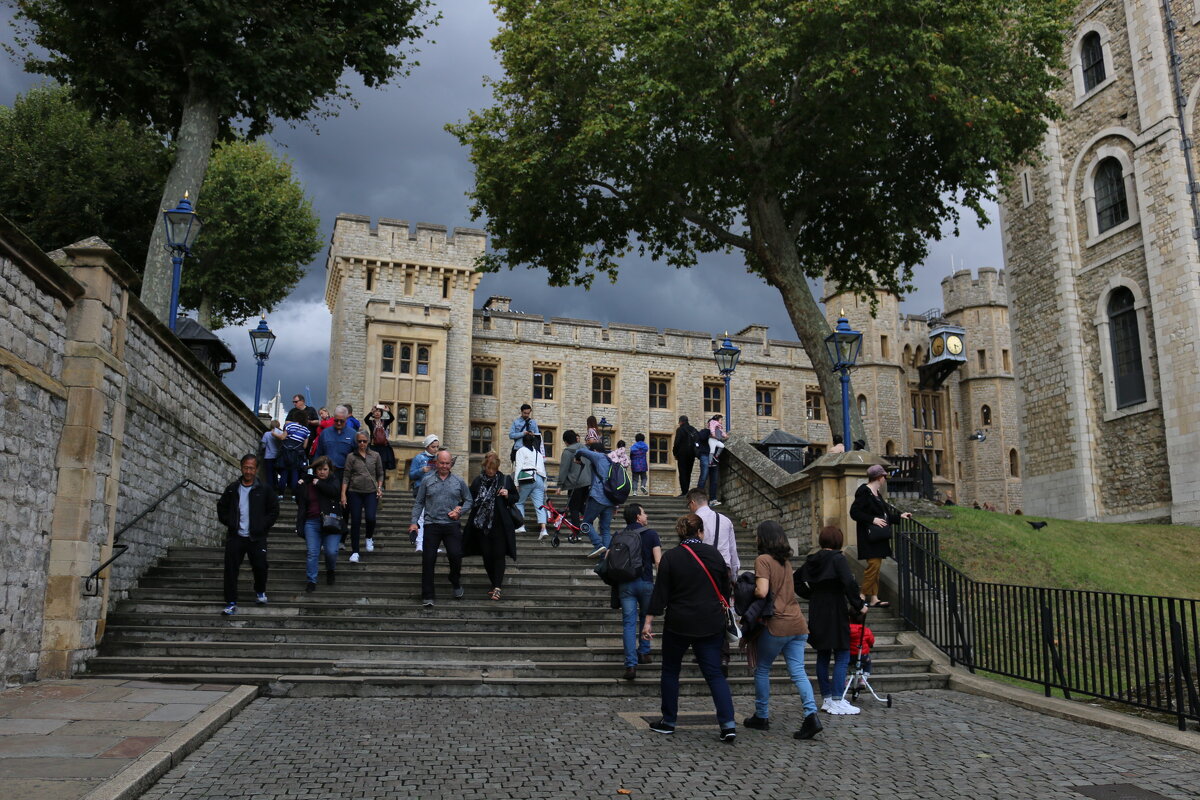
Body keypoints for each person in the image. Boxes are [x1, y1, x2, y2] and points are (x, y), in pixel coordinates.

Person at [642, 513, 736, 742]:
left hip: (679, 622)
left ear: (680, 533)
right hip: (710, 621)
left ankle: (669, 720)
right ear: (701, 532)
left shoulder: (671, 557)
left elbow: (660, 592)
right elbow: (725, 588)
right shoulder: (714, 555)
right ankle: (728, 724)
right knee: (714, 674)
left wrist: (648, 621)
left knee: (671, 671)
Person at [742, 521, 822, 740]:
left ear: (763, 538)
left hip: (777, 624)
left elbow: (762, 591)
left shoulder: (763, 560)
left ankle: (761, 715)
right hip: (797, 623)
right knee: (798, 671)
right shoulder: (785, 561)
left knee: (762, 669)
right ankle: (811, 715)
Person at [798, 525, 867, 715]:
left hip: (818, 609)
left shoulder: (812, 560)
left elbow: (796, 579)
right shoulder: (838, 558)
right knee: (843, 653)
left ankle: (827, 698)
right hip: (835, 609)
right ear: (838, 540)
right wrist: (859, 604)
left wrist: (811, 594)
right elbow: (849, 582)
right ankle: (837, 698)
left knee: (823, 654)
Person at [215, 454, 279, 615]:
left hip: (256, 537)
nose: (248, 471)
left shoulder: (264, 489)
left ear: (256, 469)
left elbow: (274, 510)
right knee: (231, 569)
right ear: (241, 467)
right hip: (236, 535)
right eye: (245, 467)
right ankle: (230, 601)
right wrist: (231, 522)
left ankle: (260, 591)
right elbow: (221, 507)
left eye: (251, 468)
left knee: (260, 566)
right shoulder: (232, 488)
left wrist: (262, 525)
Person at [408, 450, 473, 608]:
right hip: (431, 525)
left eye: (447, 463)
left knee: (456, 555)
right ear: (436, 463)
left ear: (451, 464)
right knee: (428, 560)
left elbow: (469, 500)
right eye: (441, 463)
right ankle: (428, 595)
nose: (444, 466)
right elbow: (419, 502)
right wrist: (414, 522)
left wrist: (459, 511)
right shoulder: (427, 480)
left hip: (451, 525)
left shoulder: (458, 481)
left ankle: (455, 579)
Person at [849, 463, 912, 608]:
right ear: (878, 477)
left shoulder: (877, 494)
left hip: (878, 538)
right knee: (873, 565)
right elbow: (854, 512)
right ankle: (862, 595)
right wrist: (872, 519)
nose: (885, 478)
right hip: (870, 537)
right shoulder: (864, 491)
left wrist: (899, 516)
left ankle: (874, 598)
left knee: (876, 567)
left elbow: (885, 515)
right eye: (884, 476)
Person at [616, 503, 662, 680]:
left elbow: (609, 557)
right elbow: (658, 561)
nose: (647, 516)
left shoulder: (619, 535)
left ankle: (630, 665)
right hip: (645, 582)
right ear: (637, 517)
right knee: (646, 618)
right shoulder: (651, 534)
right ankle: (644, 652)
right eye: (644, 513)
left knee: (628, 624)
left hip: (626, 585)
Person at [464, 451, 519, 600]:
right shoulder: (477, 481)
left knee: (499, 555)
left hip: (500, 525)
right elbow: (469, 499)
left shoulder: (505, 480)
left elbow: (515, 497)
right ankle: (494, 583)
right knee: (487, 556)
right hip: (482, 527)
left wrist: (507, 494)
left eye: (494, 469)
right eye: (489, 468)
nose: (491, 472)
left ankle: (497, 587)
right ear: (484, 467)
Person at [295, 455, 341, 592]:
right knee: (312, 552)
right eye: (319, 469)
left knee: (331, 552)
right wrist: (300, 484)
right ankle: (311, 580)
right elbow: (300, 501)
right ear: (315, 470)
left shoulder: (333, 481)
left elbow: (334, 492)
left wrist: (319, 484)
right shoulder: (308, 484)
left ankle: (330, 570)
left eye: (325, 469)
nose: (322, 472)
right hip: (312, 522)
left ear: (329, 470)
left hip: (331, 522)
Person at [342, 431, 384, 562]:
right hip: (354, 491)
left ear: (368, 441)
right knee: (355, 521)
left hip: (371, 492)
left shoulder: (375, 455)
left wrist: (379, 487)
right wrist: (343, 494)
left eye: (364, 441)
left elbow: (380, 473)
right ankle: (355, 551)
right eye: (359, 441)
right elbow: (346, 476)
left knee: (371, 517)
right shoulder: (351, 457)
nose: (362, 444)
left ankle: (369, 537)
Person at [574, 443, 617, 558]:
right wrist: (616, 505)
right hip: (610, 500)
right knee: (605, 529)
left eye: (592, 450)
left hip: (598, 497)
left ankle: (598, 545)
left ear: (595, 450)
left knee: (585, 523)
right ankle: (605, 557)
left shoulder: (598, 456)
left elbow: (581, 451)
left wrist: (577, 458)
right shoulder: (611, 460)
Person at [513, 431, 549, 539]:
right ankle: (543, 529)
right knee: (540, 505)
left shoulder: (521, 451)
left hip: (527, 479)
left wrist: (516, 482)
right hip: (539, 479)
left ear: (523, 441)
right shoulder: (538, 453)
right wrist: (544, 484)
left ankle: (521, 525)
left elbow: (518, 467)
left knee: (519, 502)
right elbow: (543, 469)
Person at [408, 433, 441, 550]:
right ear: (427, 446)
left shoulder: (438, 459)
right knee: (421, 517)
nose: (436, 449)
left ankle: (433, 544)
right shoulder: (419, 458)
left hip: (435, 490)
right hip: (421, 489)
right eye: (433, 447)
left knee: (434, 517)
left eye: (437, 447)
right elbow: (411, 474)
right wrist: (422, 470)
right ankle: (420, 542)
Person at [557, 430, 593, 528]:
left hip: (575, 483)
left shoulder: (568, 451)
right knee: (582, 506)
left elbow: (564, 469)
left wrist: (560, 485)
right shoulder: (585, 449)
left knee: (573, 508)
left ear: (565, 441)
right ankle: (591, 523)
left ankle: (576, 531)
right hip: (587, 482)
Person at [314, 405, 357, 482]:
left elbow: (356, 456)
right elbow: (318, 453)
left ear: (346, 419)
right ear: (333, 418)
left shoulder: (353, 434)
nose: (339, 423)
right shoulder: (325, 433)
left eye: (342, 421)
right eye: (336, 420)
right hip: (327, 474)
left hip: (345, 475)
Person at [365, 405, 397, 485]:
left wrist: (388, 411)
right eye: (376, 411)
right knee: (372, 465)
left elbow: (392, 418)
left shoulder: (384, 422)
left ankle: (381, 485)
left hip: (383, 447)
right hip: (373, 446)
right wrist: (371, 412)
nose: (377, 413)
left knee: (382, 466)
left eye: (379, 411)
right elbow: (366, 419)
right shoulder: (371, 422)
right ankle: (372, 483)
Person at [279, 417, 310, 493]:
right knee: (295, 473)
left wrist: (274, 434)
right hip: (297, 454)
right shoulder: (306, 430)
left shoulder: (290, 425)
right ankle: (294, 494)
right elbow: (305, 446)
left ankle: (280, 493)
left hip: (286, 453)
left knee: (284, 472)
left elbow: (283, 437)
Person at [672, 415, 698, 497]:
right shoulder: (693, 429)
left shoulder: (680, 430)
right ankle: (686, 490)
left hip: (682, 454)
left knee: (682, 472)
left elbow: (677, 443)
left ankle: (684, 491)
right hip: (692, 454)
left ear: (681, 422)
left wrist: (675, 453)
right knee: (688, 472)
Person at [260, 420, 286, 494]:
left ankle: (270, 489)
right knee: (276, 473)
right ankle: (277, 486)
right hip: (278, 457)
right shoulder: (281, 434)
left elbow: (263, 445)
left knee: (269, 474)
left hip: (268, 456)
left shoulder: (267, 434)